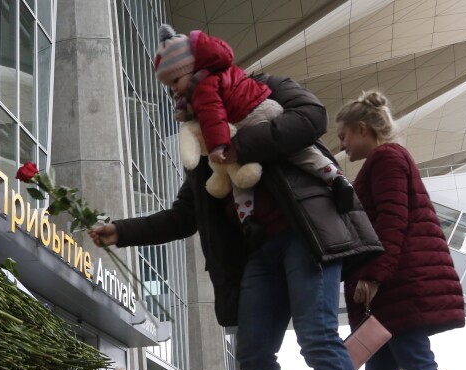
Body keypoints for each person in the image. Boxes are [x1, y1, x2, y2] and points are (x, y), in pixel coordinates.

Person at [90, 39, 383, 370]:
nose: (172, 94)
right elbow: (186, 213)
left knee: (319, 339)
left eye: (175, 82)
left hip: (306, 234)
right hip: (259, 252)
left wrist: (234, 141)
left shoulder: (263, 86)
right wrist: (120, 231)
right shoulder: (197, 133)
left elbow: (312, 118)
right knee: (253, 353)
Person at [336, 90, 466, 370]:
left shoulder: (388, 158)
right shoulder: (384, 160)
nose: (341, 144)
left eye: (344, 135)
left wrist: (375, 274)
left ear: (363, 129)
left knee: (418, 365)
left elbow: (393, 220)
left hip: (398, 285)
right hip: (391, 288)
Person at [153, 25, 356, 223]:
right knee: (303, 153)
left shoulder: (202, 88)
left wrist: (219, 147)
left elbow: (212, 115)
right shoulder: (226, 72)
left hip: (248, 119)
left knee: (236, 174)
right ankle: (334, 176)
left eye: (175, 81)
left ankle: (246, 216)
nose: (174, 90)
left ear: (191, 67)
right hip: (268, 105)